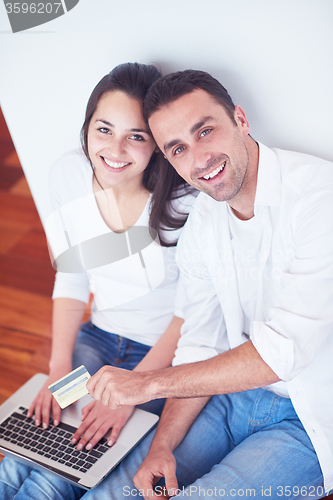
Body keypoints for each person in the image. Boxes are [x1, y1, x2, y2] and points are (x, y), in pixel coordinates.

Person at [77, 69, 333, 499]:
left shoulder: (319, 198)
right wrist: (161, 446)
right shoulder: (204, 221)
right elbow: (199, 342)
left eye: (205, 131)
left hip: (310, 416)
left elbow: (283, 354)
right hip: (229, 397)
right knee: (117, 492)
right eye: (178, 148)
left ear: (241, 119)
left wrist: (147, 384)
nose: (198, 159)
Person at [0, 63, 195, 499]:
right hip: (99, 342)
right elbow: (72, 279)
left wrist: (130, 394)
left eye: (136, 136)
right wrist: (57, 370)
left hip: (159, 361)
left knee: (61, 471)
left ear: (158, 146)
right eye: (104, 129)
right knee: (24, 451)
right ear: (87, 126)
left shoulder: (184, 201)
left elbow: (190, 315)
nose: (115, 148)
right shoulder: (68, 174)